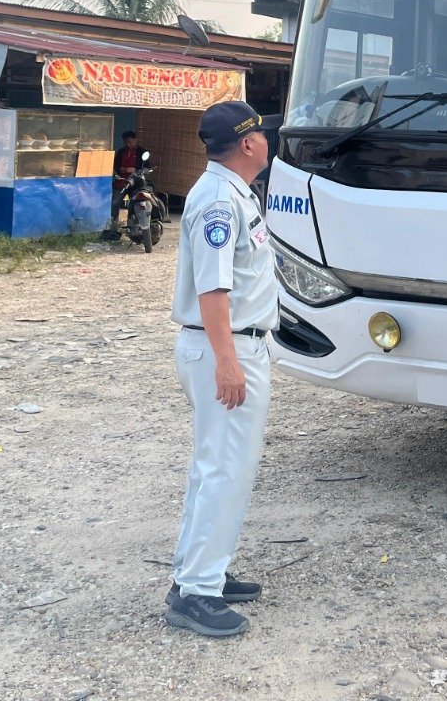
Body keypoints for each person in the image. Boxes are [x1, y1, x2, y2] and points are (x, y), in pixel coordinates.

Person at [164, 101, 281, 639]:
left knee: (219, 465)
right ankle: (197, 592)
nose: (265, 139)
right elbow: (214, 289)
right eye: (259, 132)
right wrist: (228, 363)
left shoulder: (231, 193)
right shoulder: (218, 200)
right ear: (248, 144)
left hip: (232, 346)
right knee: (225, 468)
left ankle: (200, 571)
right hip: (223, 348)